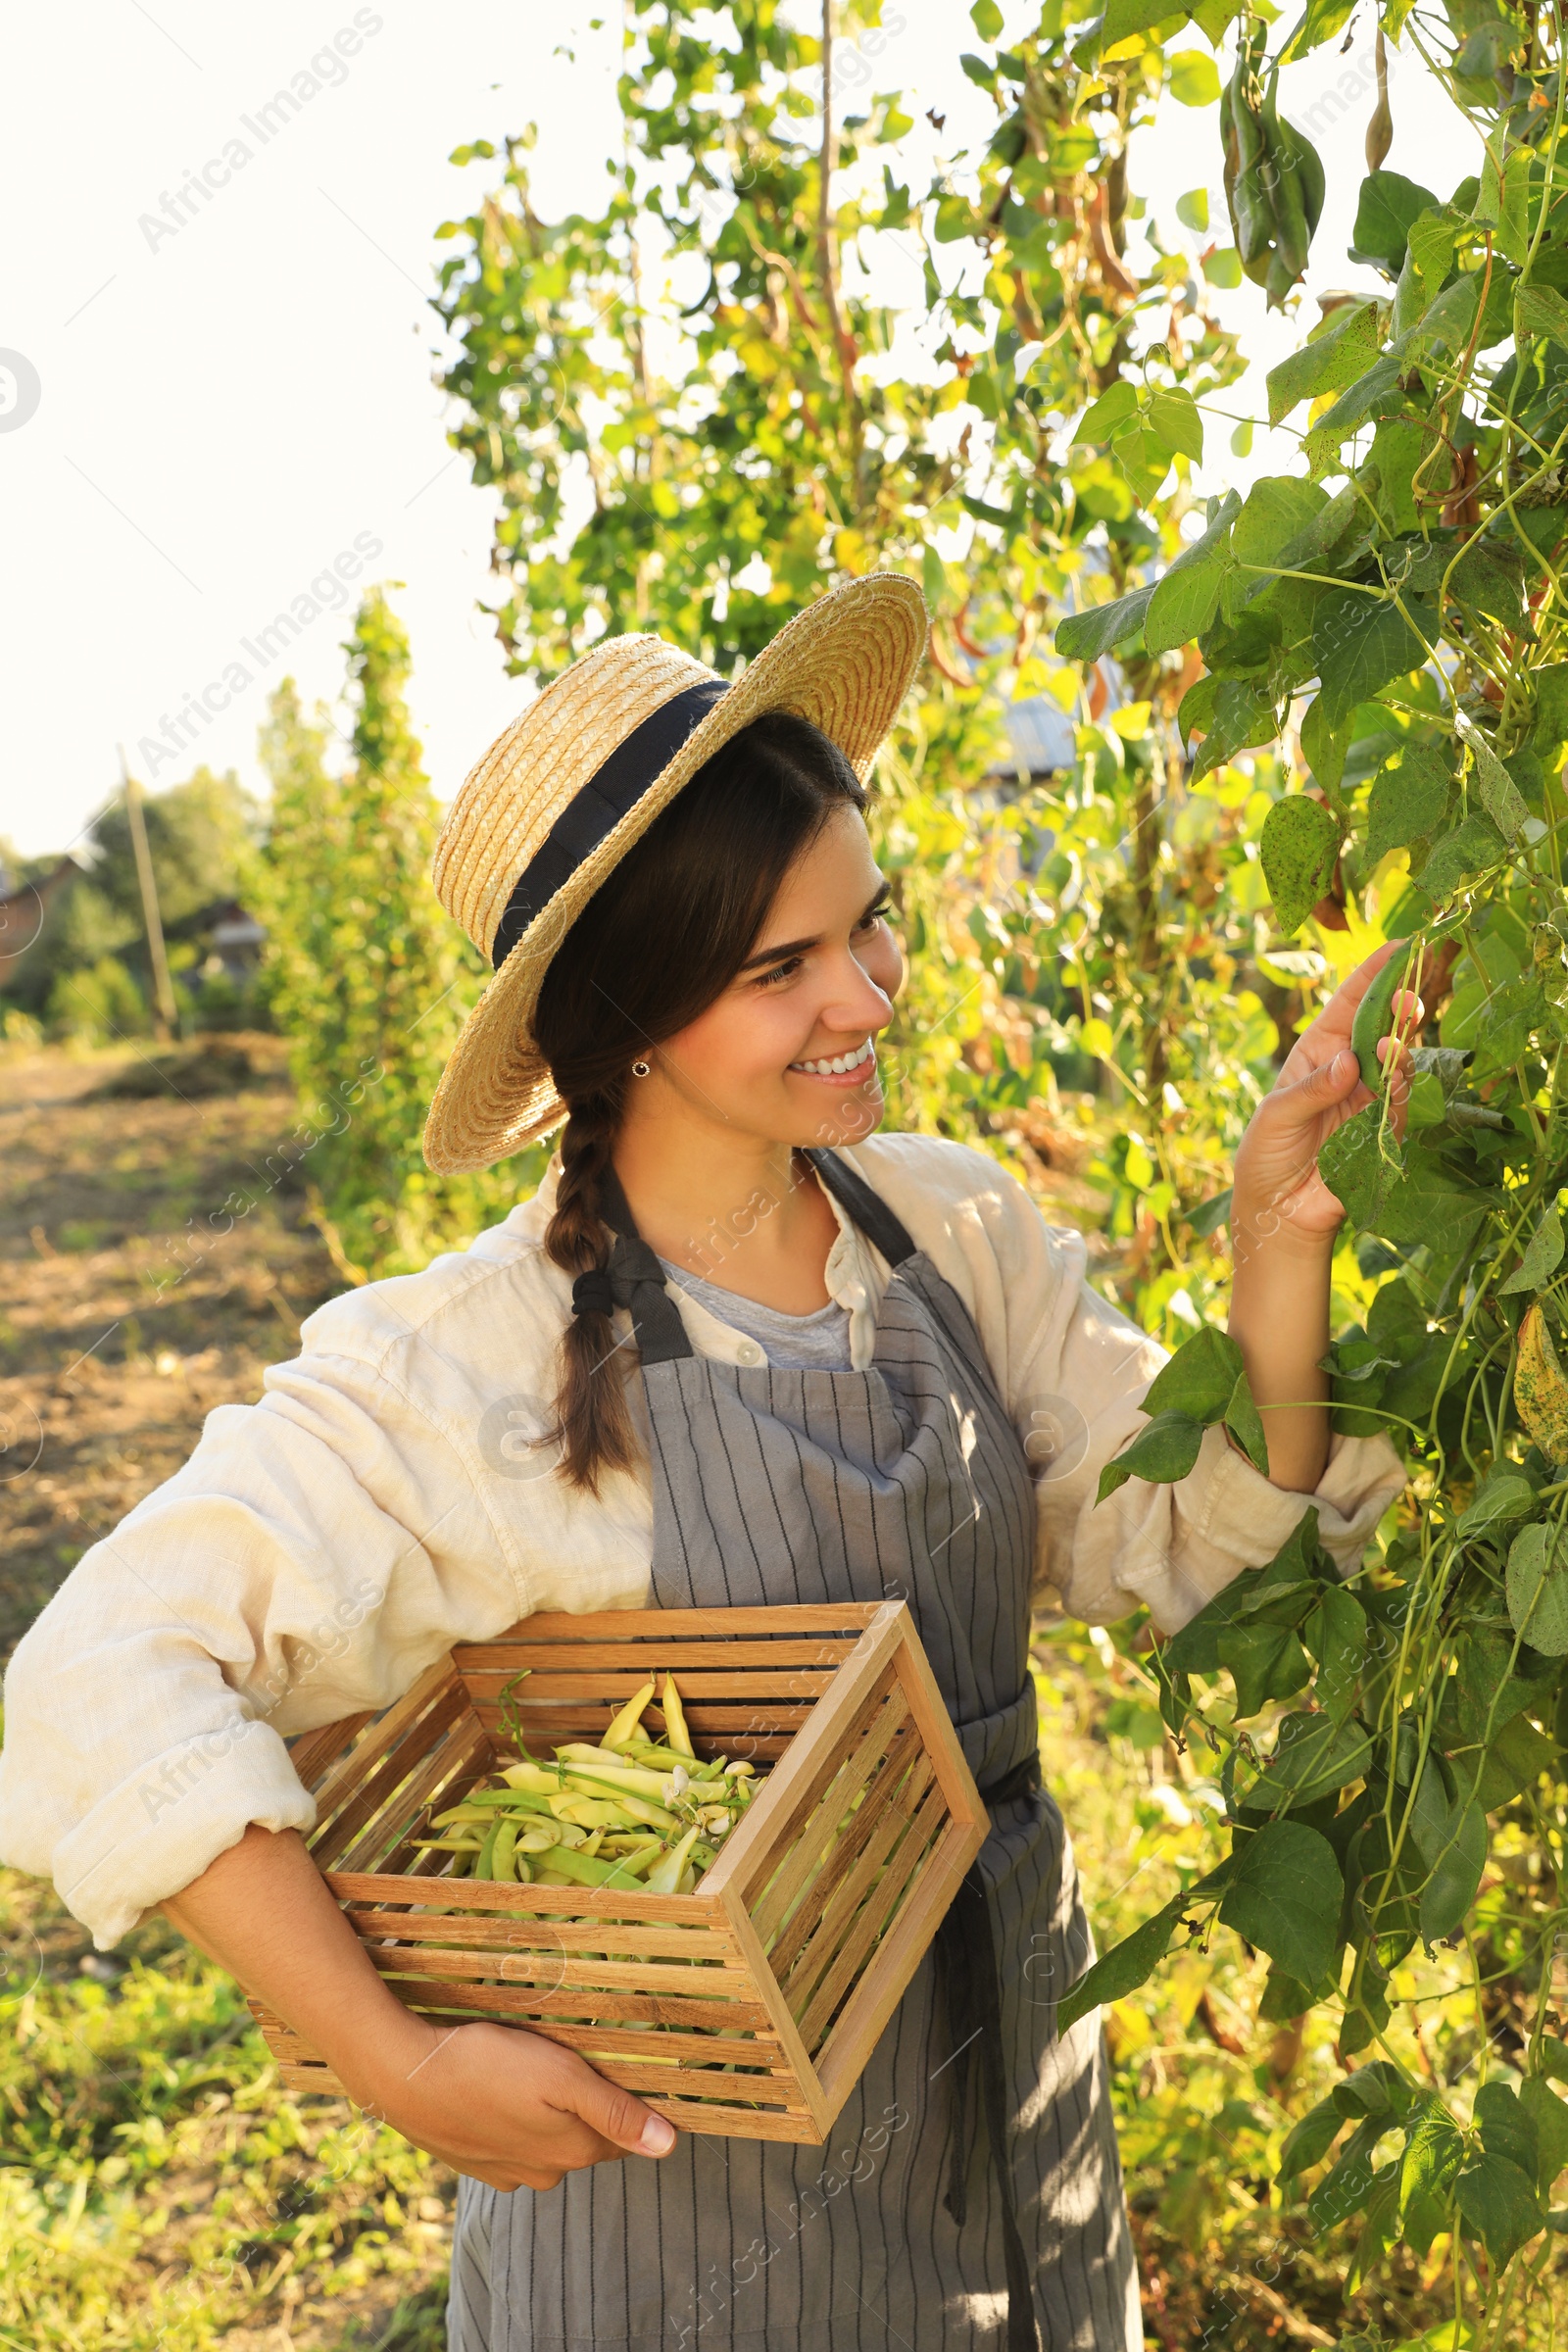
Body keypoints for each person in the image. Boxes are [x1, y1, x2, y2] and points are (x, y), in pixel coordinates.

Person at [0, 575, 1404, 2352]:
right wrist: (401, 2062)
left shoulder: (949, 1232)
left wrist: (1278, 1258)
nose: (867, 996)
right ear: (633, 1019)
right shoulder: (478, 1359)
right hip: (679, 2199)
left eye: (868, 927)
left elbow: (1206, 1555)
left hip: (1008, 2097)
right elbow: (93, 1682)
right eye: (782, 969)